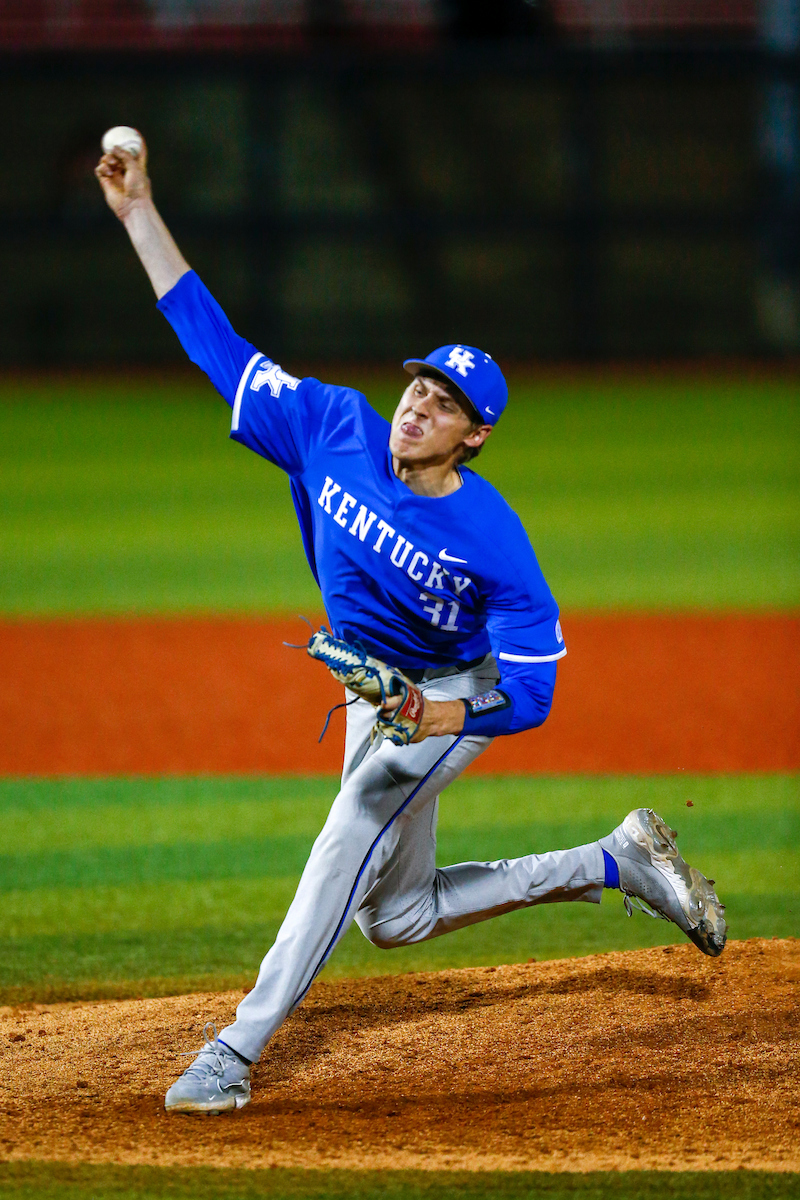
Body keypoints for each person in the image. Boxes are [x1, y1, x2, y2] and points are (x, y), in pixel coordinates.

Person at [95, 137, 727, 1115]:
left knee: (350, 825)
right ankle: (615, 863)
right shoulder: (331, 426)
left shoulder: (493, 538)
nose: (418, 407)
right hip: (374, 688)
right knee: (397, 916)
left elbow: (534, 691)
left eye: (445, 406)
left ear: (473, 435)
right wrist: (139, 214)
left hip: (447, 693)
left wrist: (437, 718)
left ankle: (233, 1050)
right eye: (419, 387)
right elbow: (212, 340)